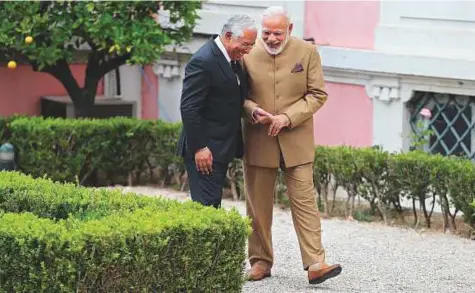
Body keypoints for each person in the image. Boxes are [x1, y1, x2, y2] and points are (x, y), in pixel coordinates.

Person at [241, 6, 342, 284]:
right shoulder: (247, 51)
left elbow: (318, 94)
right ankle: (260, 261)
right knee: (257, 207)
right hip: (258, 140)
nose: (271, 38)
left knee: (306, 204)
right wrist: (252, 111)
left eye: (277, 33)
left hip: (297, 142)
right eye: (267, 33)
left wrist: (287, 117)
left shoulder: (307, 52)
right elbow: (238, 95)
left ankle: (315, 264)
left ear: (290, 30)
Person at [177, 14, 257, 209]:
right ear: (229, 36)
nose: (248, 50)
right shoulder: (204, 61)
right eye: (245, 44)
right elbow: (189, 107)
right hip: (206, 150)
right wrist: (199, 148)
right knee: (206, 207)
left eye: (251, 45)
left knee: (213, 204)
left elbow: (231, 96)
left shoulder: (231, 58)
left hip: (221, 148)